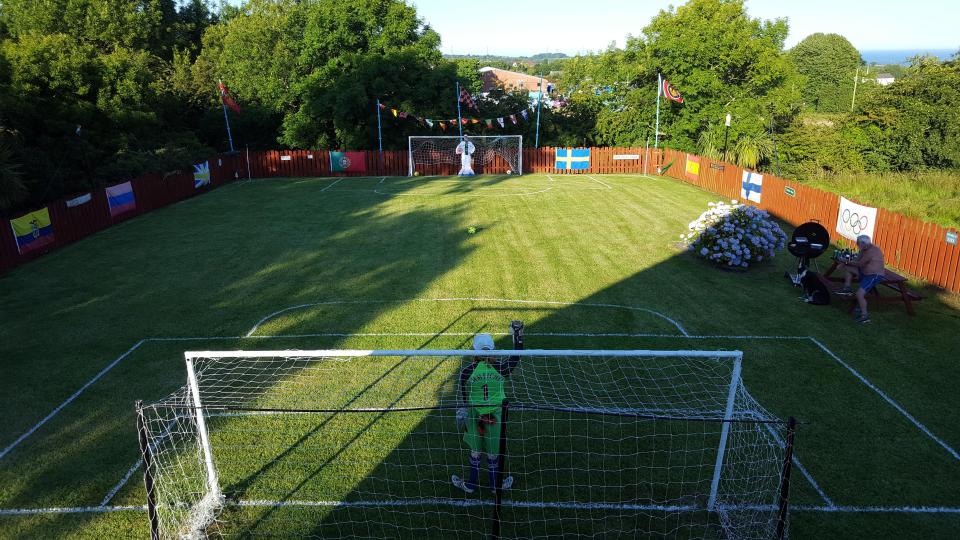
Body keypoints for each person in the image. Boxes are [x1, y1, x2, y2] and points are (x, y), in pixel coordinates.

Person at [452, 321, 524, 494]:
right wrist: (518, 336)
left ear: (474, 350)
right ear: (492, 349)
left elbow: (463, 399)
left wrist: (462, 413)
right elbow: (516, 356)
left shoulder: (466, 372)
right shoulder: (501, 368)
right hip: (496, 418)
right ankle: (494, 486)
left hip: (474, 416)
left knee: (475, 452)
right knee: (493, 455)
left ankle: (470, 485)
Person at [838, 234, 885, 324]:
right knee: (848, 269)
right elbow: (857, 259)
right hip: (865, 272)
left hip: (874, 275)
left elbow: (859, 264)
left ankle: (865, 316)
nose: (857, 245)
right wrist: (845, 264)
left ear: (863, 243)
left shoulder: (872, 251)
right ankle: (847, 289)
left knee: (859, 294)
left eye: (858, 243)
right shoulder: (864, 249)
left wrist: (845, 261)